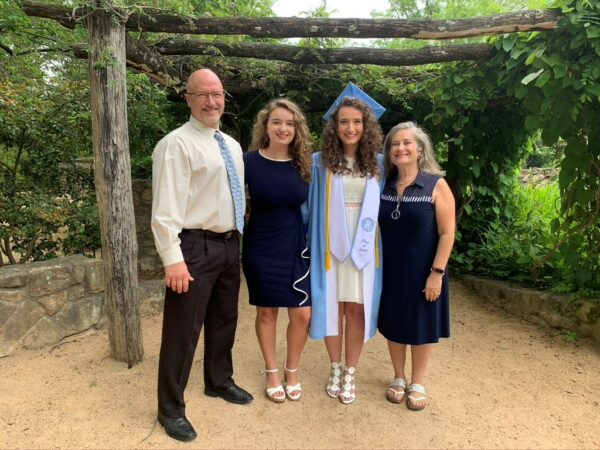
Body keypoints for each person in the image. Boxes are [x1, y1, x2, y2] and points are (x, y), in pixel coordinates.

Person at [151, 68, 253, 442]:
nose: (212, 101)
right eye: (203, 94)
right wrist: (172, 258)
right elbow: (165, 209)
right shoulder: (176, 144)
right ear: (188, 99)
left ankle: (218, 380)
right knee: (183, 328)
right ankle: (170, 409)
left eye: (217, 94)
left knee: (225, 319)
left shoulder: (228, 144)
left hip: (228, 244)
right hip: (193, 247)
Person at [308, 95, 385, 405]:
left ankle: (351, 371)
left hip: (364, 246)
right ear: (334, 126)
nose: (350, 127)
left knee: (356, 309)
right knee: (332, 308)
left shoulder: (379, 164)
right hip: (330, 245)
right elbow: (309, 205)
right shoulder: (319, 162)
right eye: (344, 122)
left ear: (366, 125)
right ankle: (335, 368)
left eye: (357, 121)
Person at [377, 121, 455, 411]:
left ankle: (417, 381)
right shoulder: (383, 185)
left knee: (422, 324)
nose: (401, 148)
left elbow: (448, 233)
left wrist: (437, 273)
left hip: (425, 271)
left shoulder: (436, 184)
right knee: (395, 323)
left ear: (420, 150)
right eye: (395, 144)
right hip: (390, 270)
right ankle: (398, 377)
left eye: (407, 143)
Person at [242, 99, 312, 403]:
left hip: (296, 245)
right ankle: (272, 370)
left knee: (302, 315)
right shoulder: (247, 161)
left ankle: (291, 368)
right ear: (265, 126)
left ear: (297, 129)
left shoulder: (307, 164)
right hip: (260, 245)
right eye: (277, 122)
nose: (284, 128)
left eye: (290, 123)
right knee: (267, 312)